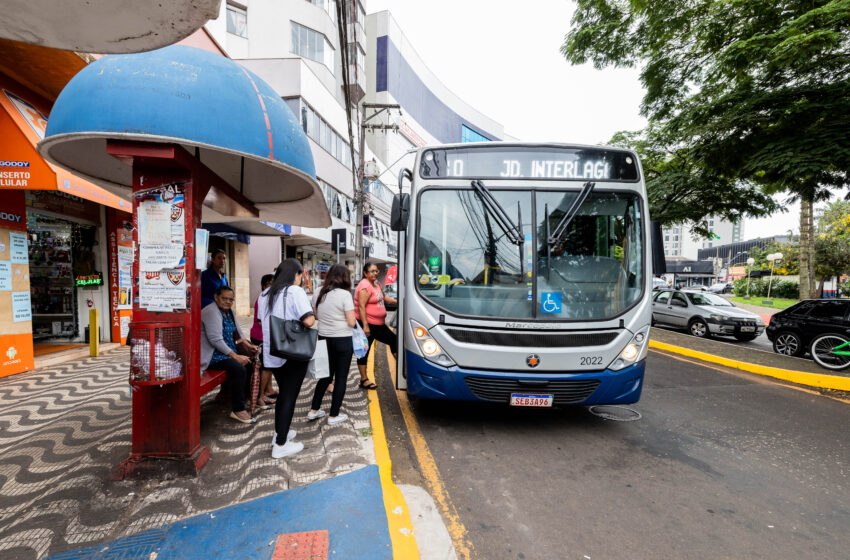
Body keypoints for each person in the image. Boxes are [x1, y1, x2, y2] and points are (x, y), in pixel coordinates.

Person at [259, 258, 315, 459]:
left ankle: (278, 434)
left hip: (273, 352)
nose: (301, 279)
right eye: (301, 275)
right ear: (296, 274)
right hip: (293, 352)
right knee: (288, 396)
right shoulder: (294, 291)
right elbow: (308, 320)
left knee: (285, 394)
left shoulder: (265, 293)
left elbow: (260, 320)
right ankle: (281, 444)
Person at [200, 286, 258, 424]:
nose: (227, 302)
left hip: (228, 351)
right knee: (239, 368)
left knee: (249, 363)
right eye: (224, 298)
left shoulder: (229, 311)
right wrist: (236, 357)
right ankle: (238, 409)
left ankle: (241, 397)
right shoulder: (210, 311)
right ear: (216, 297)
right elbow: (215, 340)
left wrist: (249, 345)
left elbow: (239, 332)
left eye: (230, 299)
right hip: (213, 355)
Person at [308, 264, 356, 424]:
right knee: (341, 378)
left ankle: (314, 410)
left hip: (324, 338)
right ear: (345, 277)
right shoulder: (344, 294)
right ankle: (333, 415)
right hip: (343, 340)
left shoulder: (318, 292)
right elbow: (351, 321)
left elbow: (316, 316)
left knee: (325, 376)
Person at [355, 262, 398, 389]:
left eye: (376, 271)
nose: (375, 273)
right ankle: (364, 380)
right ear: (365, 273)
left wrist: (399, 302)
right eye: (372, 271)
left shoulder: (376, 284)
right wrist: (366, 326)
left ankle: (401, 367)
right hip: (369, 325)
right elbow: (361, 307)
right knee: (364, 352)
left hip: (379, 325)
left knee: (393, 339)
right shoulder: (364, 286)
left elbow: (384, 298)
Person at [250, 274, 277, 407]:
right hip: (260, 336)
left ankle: (269, 389)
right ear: (264, 285)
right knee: (265, 367)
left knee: (269, 365)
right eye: (270, 284)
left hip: (266, 336)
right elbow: (261, 322)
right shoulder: (262, 298)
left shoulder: (268, 298)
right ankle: (260, 397)